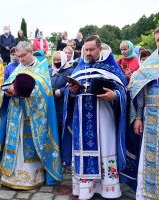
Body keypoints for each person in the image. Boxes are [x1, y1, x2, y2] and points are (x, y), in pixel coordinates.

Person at [62, 35, 127, 199]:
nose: (88, 53)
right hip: (81, 119)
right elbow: (67, 92)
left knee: (105, 147)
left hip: (103, 116)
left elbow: (124, 90)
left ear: (100, 48)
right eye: (86, 50)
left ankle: (107, 188)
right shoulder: (80, 66)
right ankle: (84, 189)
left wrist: (115, 95)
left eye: (91, 50)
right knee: (83, 149)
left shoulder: (111, 67)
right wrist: (71, 91)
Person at [0, 41, 62, 189]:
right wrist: (7, 91)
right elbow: (6, 85)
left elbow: (45, 92)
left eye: (23, 56)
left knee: (29, 144)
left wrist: (22, 91)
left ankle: (31, 177)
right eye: (18, 57)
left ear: (30, 52)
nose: (20, 59)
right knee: (15, 143)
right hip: (16, 115)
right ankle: (11, 175)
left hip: (32, 118)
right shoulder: (19, 68)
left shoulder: (41, 69)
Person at [129, 28, 159, 200]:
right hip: (153, 117)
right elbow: (139, 91)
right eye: (157, 40)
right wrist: (138, 117)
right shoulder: (150, 64)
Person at [49, 51, 73, 151]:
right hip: (52, 102)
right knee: (53, 128)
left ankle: (64, 153)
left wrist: (60, 92)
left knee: (62, 127)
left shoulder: (69, 70)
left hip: (63, 102)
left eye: (58, 60)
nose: (56, 62)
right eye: (54, 60)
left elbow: (70, 86)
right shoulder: (50, 70)